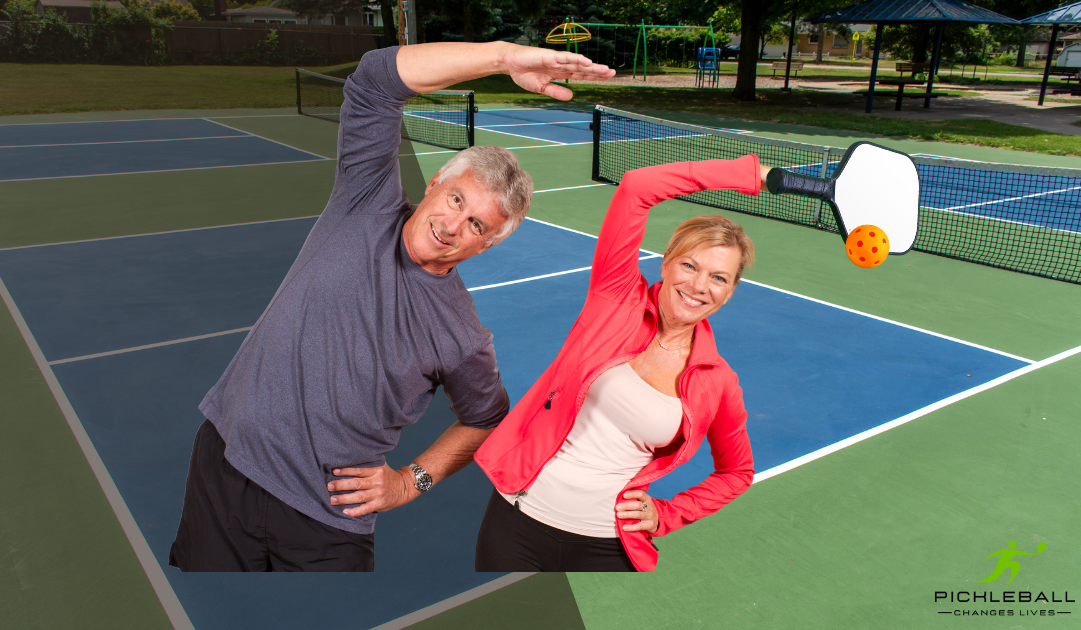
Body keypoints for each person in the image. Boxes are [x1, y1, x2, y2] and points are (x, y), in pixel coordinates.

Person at [168, 43, 615, 572]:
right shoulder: (364, 201)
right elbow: (376, 81)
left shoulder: (462, 335)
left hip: (324, 523)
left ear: (486, 245)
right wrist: (501, 59)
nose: (452, 227)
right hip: (225, 466)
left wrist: (409, 482)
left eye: (477, 225)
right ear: (433, 185)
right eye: (456, 201)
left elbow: (486, 419)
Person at [473, 156, 770, 572]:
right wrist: (752, 175)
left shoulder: (718, 381)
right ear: (666, 261)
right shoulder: (615, 298)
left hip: (608, 543)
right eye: (689, 265)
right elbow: (636, 187)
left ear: (731, 290)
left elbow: (737, 472)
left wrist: (667, 515)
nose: (699, 286)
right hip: (519, 521)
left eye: (719, 278)